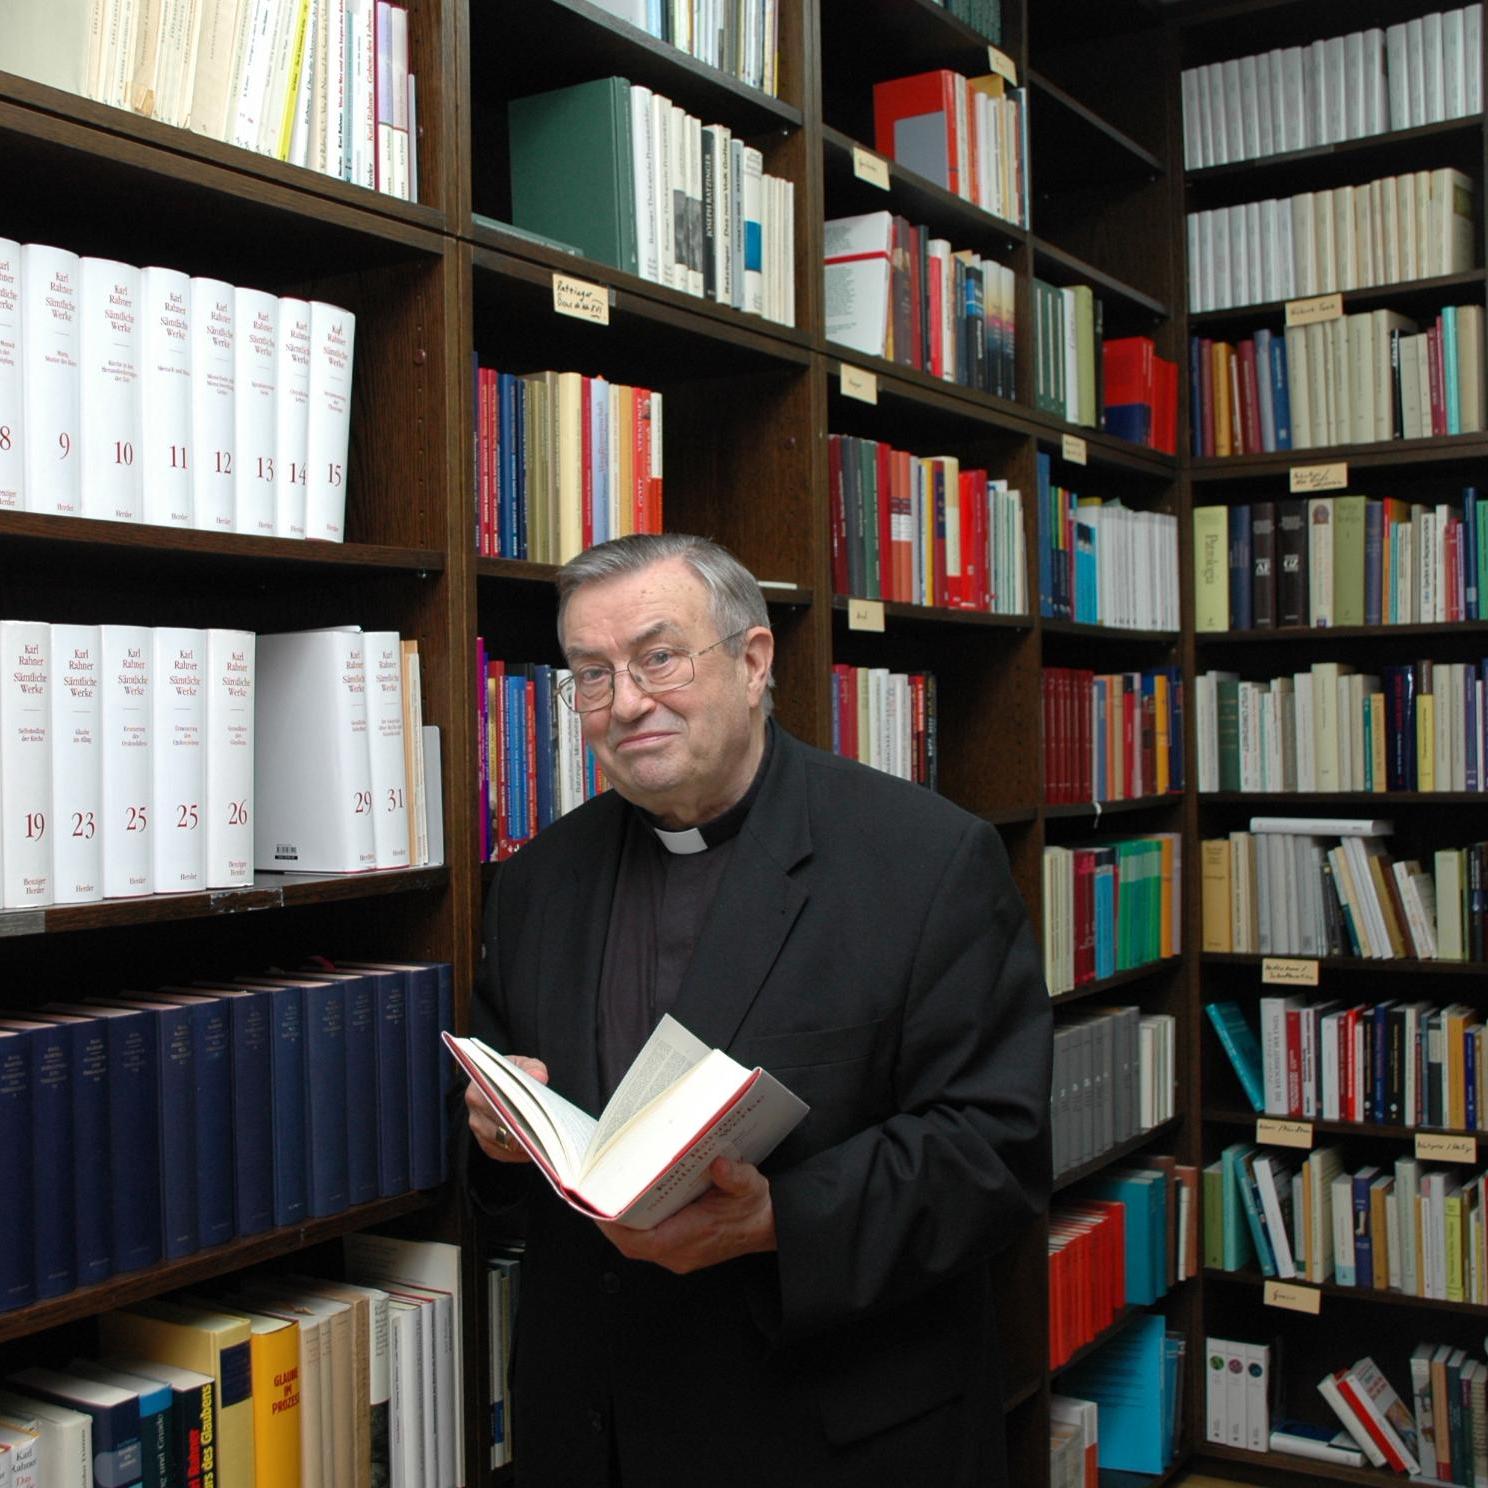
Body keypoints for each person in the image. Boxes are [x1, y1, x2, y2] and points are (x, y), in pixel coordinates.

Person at [466, 533, 1051, 1488]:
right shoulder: (537, 880)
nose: (628, 702)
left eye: (658, 656)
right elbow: (505, 1135)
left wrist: (781, 1217)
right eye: (592, 674)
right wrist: (496, 1132)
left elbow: (995, 1150)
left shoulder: (926, 861)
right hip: (594, 1429)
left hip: (821, 1432)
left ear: (752, 659)